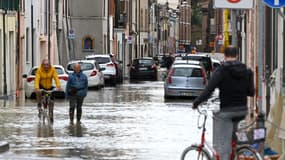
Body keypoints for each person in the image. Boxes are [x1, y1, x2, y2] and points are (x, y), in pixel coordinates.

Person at [192, 46, 255, 160]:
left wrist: (197, 102)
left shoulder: (221, 71)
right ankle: (236, 152)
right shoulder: (246, 70)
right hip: (242, 110)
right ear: (237, 56)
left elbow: (209, 89)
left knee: (223, 145)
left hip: (227, 111)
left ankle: (225, 155)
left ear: (225, 56)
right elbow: (251, 92)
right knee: (234, 139)